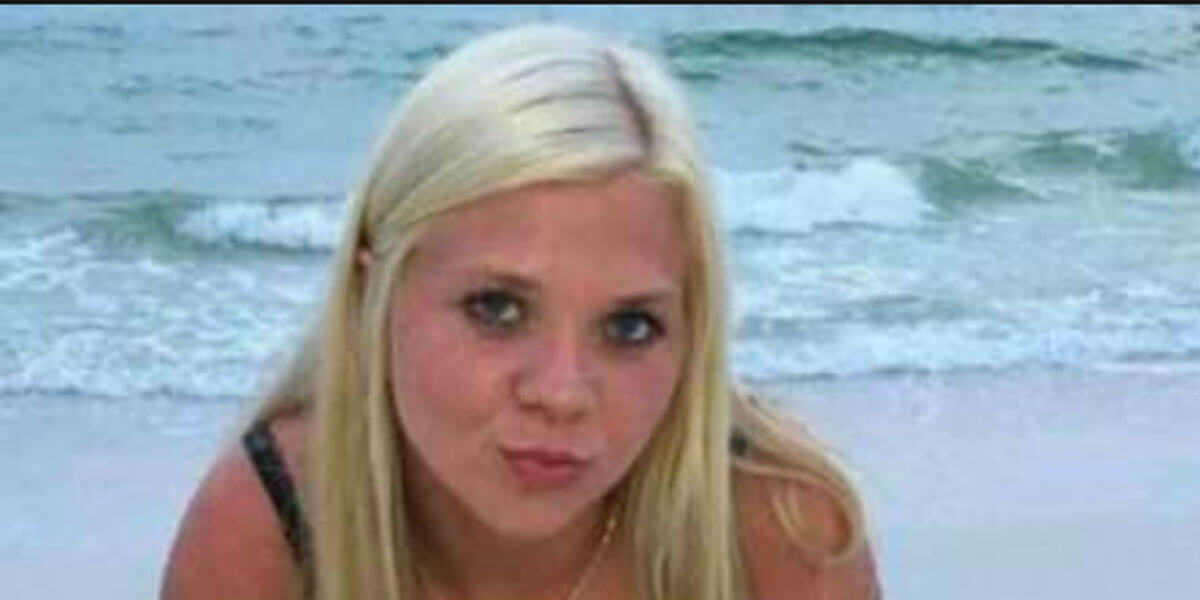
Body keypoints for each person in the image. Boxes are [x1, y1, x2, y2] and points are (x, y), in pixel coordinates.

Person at [159, 24, 880, 600]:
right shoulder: (275, 528)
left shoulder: (780, 531)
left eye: (630, 327)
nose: (561, 394)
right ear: (370, 297)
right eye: (497, 309)